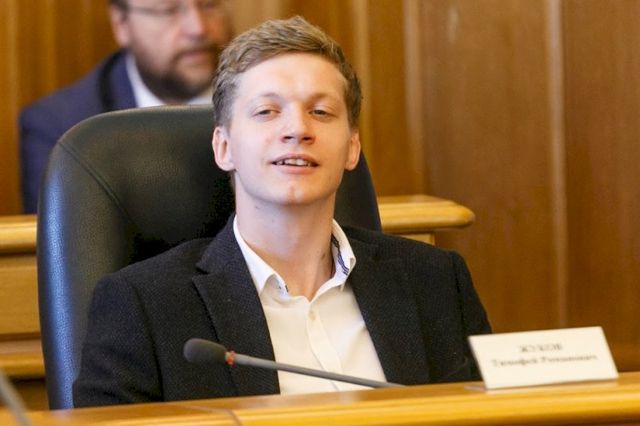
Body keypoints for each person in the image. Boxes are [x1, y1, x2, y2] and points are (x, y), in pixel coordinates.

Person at [73, 15, 491, 407]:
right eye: (267, 112)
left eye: (321, 112)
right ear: (224, 147)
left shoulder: (436, 282)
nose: (297, 130)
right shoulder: (143, 305)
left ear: (352, 148)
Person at [19, 0, 232, 213]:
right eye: (168, 10)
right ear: (121, 23)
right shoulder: (63, 129)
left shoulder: (249, 90)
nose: (198, 28)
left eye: (209, 4)